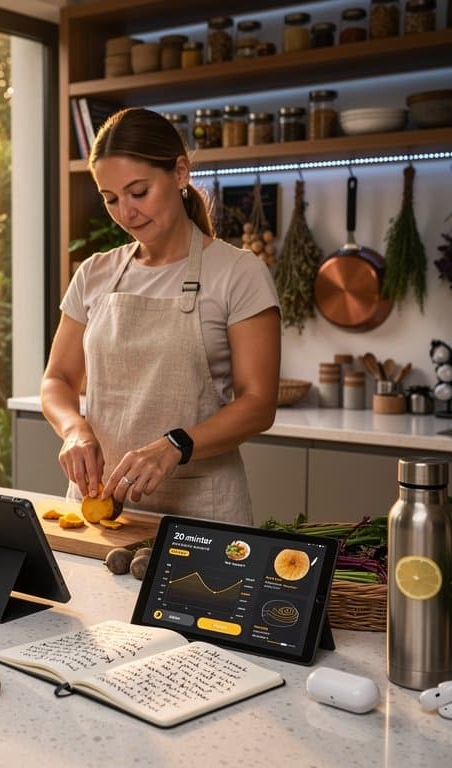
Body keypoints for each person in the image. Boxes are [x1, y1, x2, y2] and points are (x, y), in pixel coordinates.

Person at [40, 107, 281, 524]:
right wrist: (73, 429)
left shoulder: (238, 274)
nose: (126, 213)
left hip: (201, 514)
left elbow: (259, 404)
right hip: (101, 511)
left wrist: (175, 445)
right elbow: (57, 379)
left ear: (180, 173)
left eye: (139, 192)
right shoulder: (94, 273)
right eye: (110, 199)